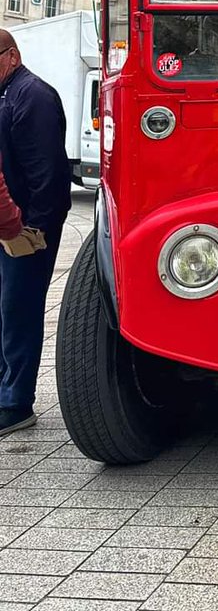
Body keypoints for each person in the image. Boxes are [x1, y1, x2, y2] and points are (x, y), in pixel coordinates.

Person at [0, 31, 71, 436]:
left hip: (26, 228)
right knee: (6, 309)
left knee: (18, 310)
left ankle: (16, 401)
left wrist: (35, 230)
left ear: (11, 55)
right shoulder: (10, 93)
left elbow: (49, 173)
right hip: (8, 222)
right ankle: (5, 390)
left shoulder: (32, 96)